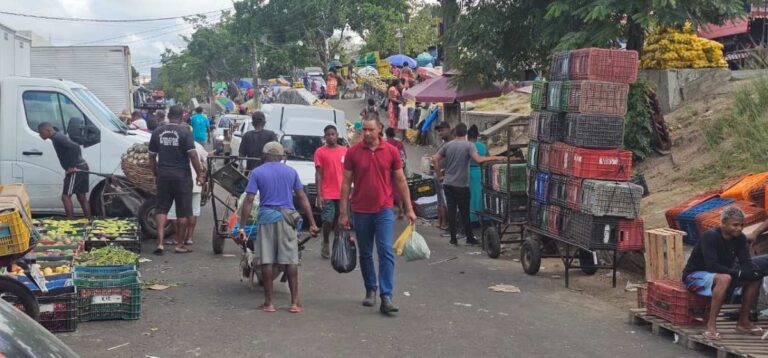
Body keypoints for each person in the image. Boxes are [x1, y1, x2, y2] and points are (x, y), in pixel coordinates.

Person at [339, 116, 416, 316]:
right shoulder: (353, 152)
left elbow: (400, 180)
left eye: (370, 129)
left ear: (380, 129)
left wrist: (409, 208)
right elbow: (346, 183)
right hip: (360, 210)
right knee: (365, 252)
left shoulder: (391, 151)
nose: (366, 133)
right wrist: (342, 213)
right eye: (364, 129)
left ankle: (386, 295)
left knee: (385, 251)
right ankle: (371, 289)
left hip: (383, 209)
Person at [237, 142, 319, 313]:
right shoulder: (291, 172)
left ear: (265, 155)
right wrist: (312, 222)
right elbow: (302, 197)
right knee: (290, 259)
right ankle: (295, 302)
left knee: (266, 259)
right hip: (288, 219)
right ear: (281, 157)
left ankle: (269, 303)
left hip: (267, 218)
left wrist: (242, 227)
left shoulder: (258, 172)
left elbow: (249, 200)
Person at [683, 206, 768, 340]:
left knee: (755, 278)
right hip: (696, 276)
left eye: (742, 225)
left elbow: (745, 261)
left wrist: (751, 272)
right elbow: (712, 266)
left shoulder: (740, 239)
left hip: (722, 275)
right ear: (723, 223)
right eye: (735, 225)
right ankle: (711, 326)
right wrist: (738, 273)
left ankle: (743, 322)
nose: (739, 228)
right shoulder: (710, 236)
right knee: (725, 278)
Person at [148, 105, 206, 255]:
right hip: (182, 177)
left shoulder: (157, 132)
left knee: (161, 209)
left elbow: (151, 156)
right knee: (183, 211)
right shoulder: (185, 132)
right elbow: (193, 155)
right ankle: (179, 245)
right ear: (182, 117)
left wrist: (155, 173)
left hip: (163, 175)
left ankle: (160, 243)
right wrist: (200, 173)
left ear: (169, 116)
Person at [435, 123, 503, 246]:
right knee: (464, 211)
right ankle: (469, 237)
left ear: (455, 133)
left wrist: (439, 175)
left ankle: (453, 238)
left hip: (448, 183)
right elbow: (479, 160)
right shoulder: (469, 145)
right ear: (465, 134)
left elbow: (435, 159)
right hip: (461, 185)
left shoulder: (448, 145)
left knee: (451, 210)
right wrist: (496, 158)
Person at [37, 122, 91, 218]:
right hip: (81, 166)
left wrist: (72, 166)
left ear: (48, 131)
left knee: (65, 197)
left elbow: (75, 147)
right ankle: (89, 219)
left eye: (41, 132)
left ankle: (70, 222)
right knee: (81, 196)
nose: (40, 135)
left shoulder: (58, 138)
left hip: (76, 169)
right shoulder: (57, 136)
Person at [314, 125, 348, 259]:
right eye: (328, 135)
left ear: (337, 135)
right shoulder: (320, 152)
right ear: (325, 137)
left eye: (333, 134)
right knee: (328, 219)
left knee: (341, 221)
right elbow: (318, 175)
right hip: (327, 192)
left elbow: (350, 172)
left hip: (343, 193)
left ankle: (337, 244)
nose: (331, 137)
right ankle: (326, 241)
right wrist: (319, 194)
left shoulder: (345, 151)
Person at [167, 143, 207, 246]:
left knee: (174, 213)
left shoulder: (173, 144)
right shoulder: (197, 145)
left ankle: (177, 238)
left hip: (177, 183)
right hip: (195, 183)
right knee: (193, 211)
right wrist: (201, 174)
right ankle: (189, 238)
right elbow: (206, 160)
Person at [432, 121, 453, 231]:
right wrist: (440, 176)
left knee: (440, 199)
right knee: (444, 200)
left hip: (438, 174)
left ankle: (440, 222)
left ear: (449, 129)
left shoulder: (445, 144)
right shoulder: (445, 145)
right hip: (441, 175)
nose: (440, 133)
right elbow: (435, 160)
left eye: (442, 130)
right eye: (439, 131)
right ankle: (444, 223)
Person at [385, 127, 407, 220]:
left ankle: (387, 212)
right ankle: (401, 211)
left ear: (386, 134)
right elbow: (403, 156)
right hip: (397, 169)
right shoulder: (399, 143)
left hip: (386, 171)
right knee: (398, 190)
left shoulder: (384, 143)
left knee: (387, 190)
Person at [468, 125, 488, 223]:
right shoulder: (482, 146)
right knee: (480, 195)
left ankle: (472, 218)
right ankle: (483, 217)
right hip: (480, 172)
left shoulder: (467, 145)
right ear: (477, 136)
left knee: (471, 196)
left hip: (469, 173)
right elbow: (487, 157)